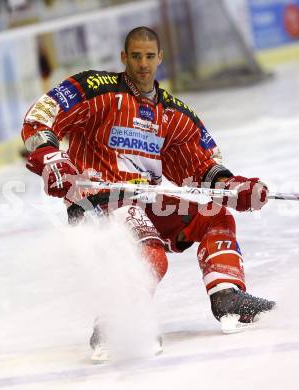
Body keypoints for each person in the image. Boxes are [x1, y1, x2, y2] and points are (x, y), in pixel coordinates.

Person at [21, 26, 275, 361]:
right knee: (150, 252)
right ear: (124, 58)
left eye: (150, 56)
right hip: (99, 199)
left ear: (160, 59)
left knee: (215, 216)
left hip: (147, 200)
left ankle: (227, 296)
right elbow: (40, 119)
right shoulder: (93, 89)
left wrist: (235, 188)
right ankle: (116, 319)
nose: (143, 64)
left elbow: (201, 168)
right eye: (136, 56)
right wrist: (53, 161)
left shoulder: (173, 113)